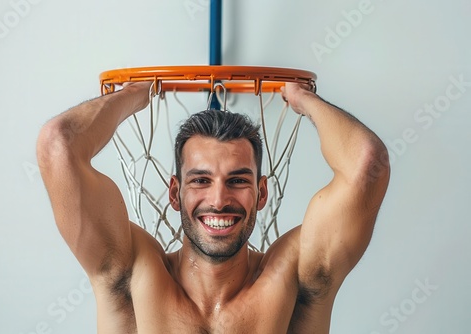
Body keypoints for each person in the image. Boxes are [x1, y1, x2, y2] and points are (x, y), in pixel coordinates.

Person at [37, 80, 390, 333]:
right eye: (200, 181)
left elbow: (366, 163)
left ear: (262, 192)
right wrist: (134, 94)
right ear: (174, 193)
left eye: (237, 180)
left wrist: (302, 99)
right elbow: (58, 145)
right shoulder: (130, 274)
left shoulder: (295, 280)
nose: (219, 201)